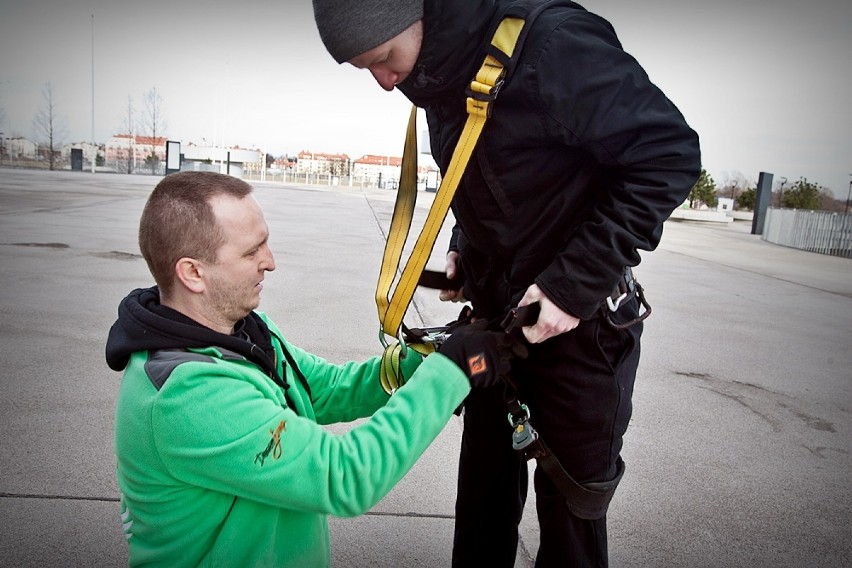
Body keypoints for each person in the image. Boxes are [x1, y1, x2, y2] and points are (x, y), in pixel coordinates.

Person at [312, 0, 701, 566]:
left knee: (571, 523)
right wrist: (465, 252)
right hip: (498, 330)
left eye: (383, 59)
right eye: (365, 70)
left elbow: (669, 156)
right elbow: (490, 181)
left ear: (418, 14)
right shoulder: (441, 77)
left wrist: (574, 284)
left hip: (581, 333)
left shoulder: (552, 45)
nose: (384, 83)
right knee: (481, 508)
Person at [105, 170, 525, 567]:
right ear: (193, 273)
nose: (270, 262)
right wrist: (452, 371)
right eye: (252, 251)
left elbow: (322, 389)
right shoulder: (188, 396)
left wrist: (425, 356)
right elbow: (343, 475)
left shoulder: (240, 329)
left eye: (265, 243)